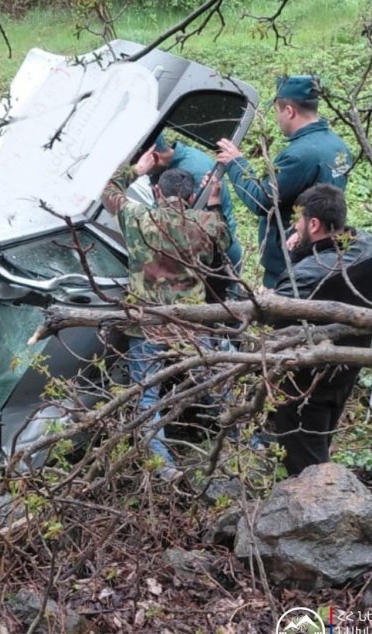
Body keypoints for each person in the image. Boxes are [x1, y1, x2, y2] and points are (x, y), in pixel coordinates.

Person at [102, 160, 230, 480]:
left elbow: (107, 190)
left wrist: (137, 169)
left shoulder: (138, 217)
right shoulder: (207, 223)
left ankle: (164, 469)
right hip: (190, 323)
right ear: (191, 197)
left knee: (147, 396)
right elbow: (225, 244)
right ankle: (250, 444)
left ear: (157, 192)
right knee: (216, 384)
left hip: (148, 324)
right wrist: (214, 202)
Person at [268, 183, 372, 476]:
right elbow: (327, 261)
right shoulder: (366, 246)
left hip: (306, 383)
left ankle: (320, 499)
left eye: (299, 220)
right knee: (319, 442)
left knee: (306, 466)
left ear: (314, 224)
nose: (295, 226)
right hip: (346, 366)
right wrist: (304, 250)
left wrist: (271, 292)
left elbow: (274, 320)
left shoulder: (304, 276)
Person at [216, 75, 353, 289]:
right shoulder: (338, 146)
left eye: (277, 112)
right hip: (323, 255)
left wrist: (236, 163)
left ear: (289, 111)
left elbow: (261, 200)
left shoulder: (300, 155)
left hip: (290, 265)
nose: (278, 119)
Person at [128, 133, 242, 273]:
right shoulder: (171, 165)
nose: (143, 170)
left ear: (155, 157)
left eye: (141, 164)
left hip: (218, 256)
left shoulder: (194, 171)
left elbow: (204, 230)